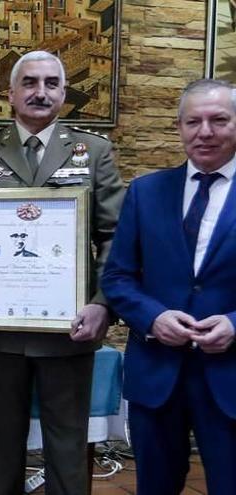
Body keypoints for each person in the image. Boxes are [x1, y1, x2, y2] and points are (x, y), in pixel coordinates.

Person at [0, 50, 125, 495]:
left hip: (69, 331)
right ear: (11, 93)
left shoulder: (93, 152)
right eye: (30, 82)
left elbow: (116, 235)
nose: (41, 92)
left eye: (52, 83)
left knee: (67, 450)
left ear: (63, 93)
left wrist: (102, 305)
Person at [101, 79, 236, 494]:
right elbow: (117, 277)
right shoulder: (145, 192)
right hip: (157, 375)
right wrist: (153, 317)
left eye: (219, 120)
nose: (205, 131)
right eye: (193, 121)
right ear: (179, 127)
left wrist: (235, 322)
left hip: (230, 377)